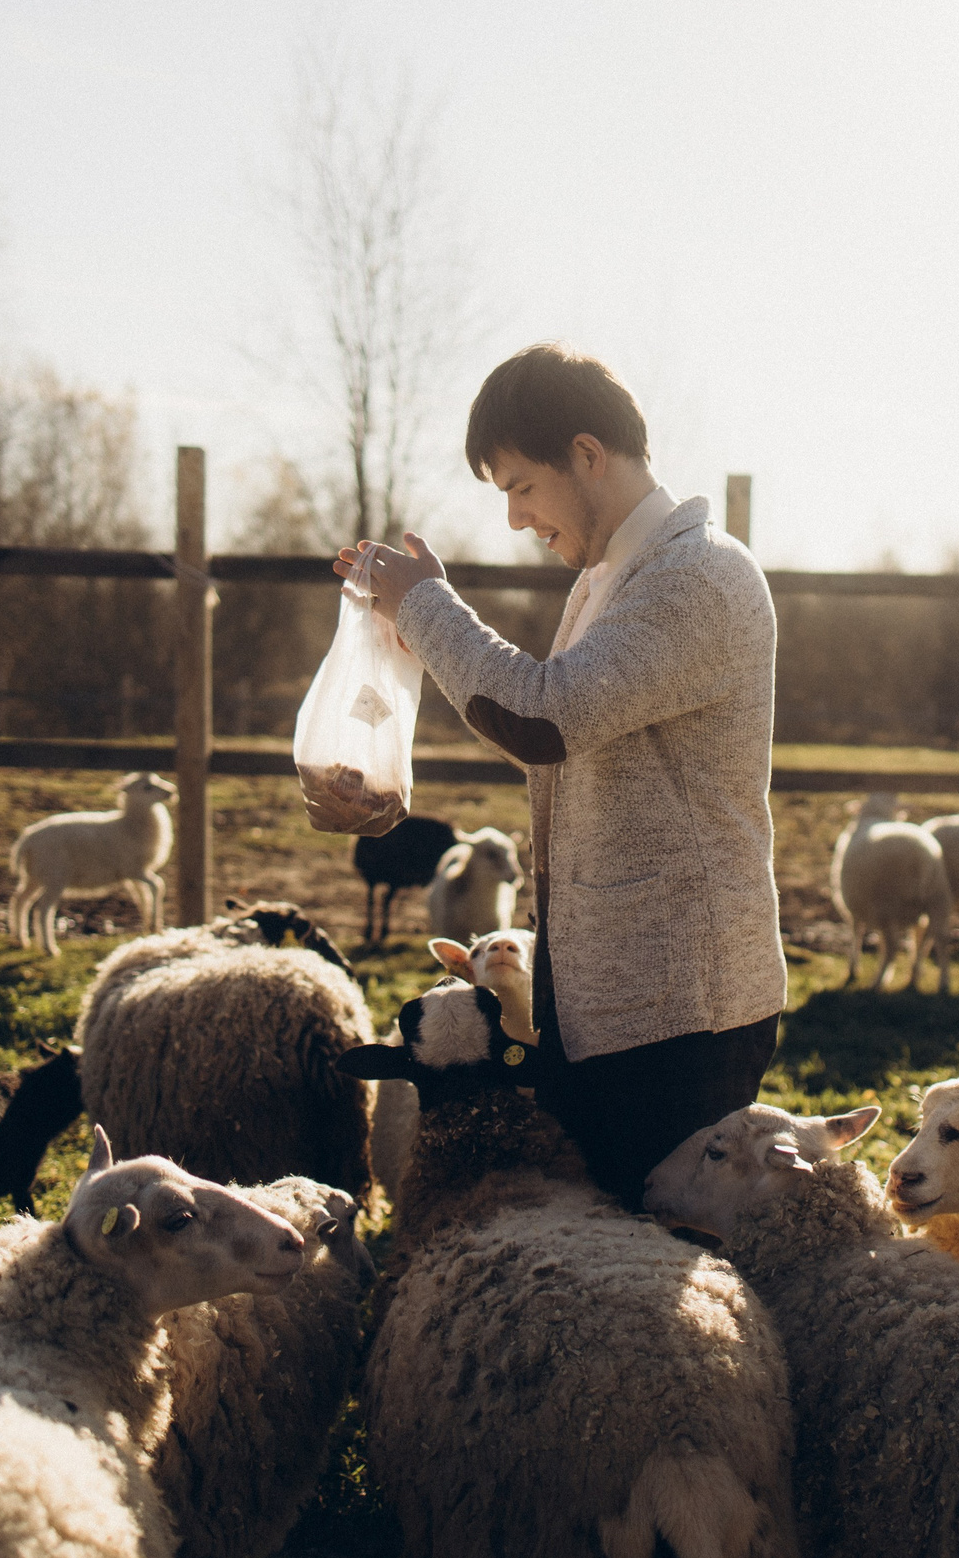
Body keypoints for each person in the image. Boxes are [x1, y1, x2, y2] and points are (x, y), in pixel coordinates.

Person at [332, 344, 786, 1200]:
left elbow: (545, 716)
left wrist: (427, 606)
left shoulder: (699, 576)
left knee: (667, 1276)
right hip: (612, 1002)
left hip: (683, 1011)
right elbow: (545, 723)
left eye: (519, 486)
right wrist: (416, 639)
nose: (515, 519)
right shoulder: (610, 579)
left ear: (586, 454)